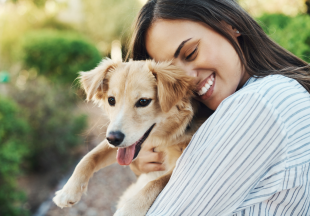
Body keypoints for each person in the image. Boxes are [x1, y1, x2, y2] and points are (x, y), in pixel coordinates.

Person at [127, 0, 310, 215]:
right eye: (171, 79)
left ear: (230, 24)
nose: (187, 81)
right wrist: (154, 167)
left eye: (191, 53)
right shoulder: (281, 92)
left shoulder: (260, 103)